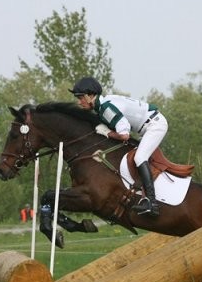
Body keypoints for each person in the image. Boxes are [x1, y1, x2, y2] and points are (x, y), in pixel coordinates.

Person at [69, 76, 167, 217]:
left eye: (81, 97)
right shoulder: (104, 104)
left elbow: (124, 135)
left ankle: (152, 203)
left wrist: (107, 133)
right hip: (147, 126)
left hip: (154, 125)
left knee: (139, 157)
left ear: (91, 95)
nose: (79, 102)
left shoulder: (105, 108)